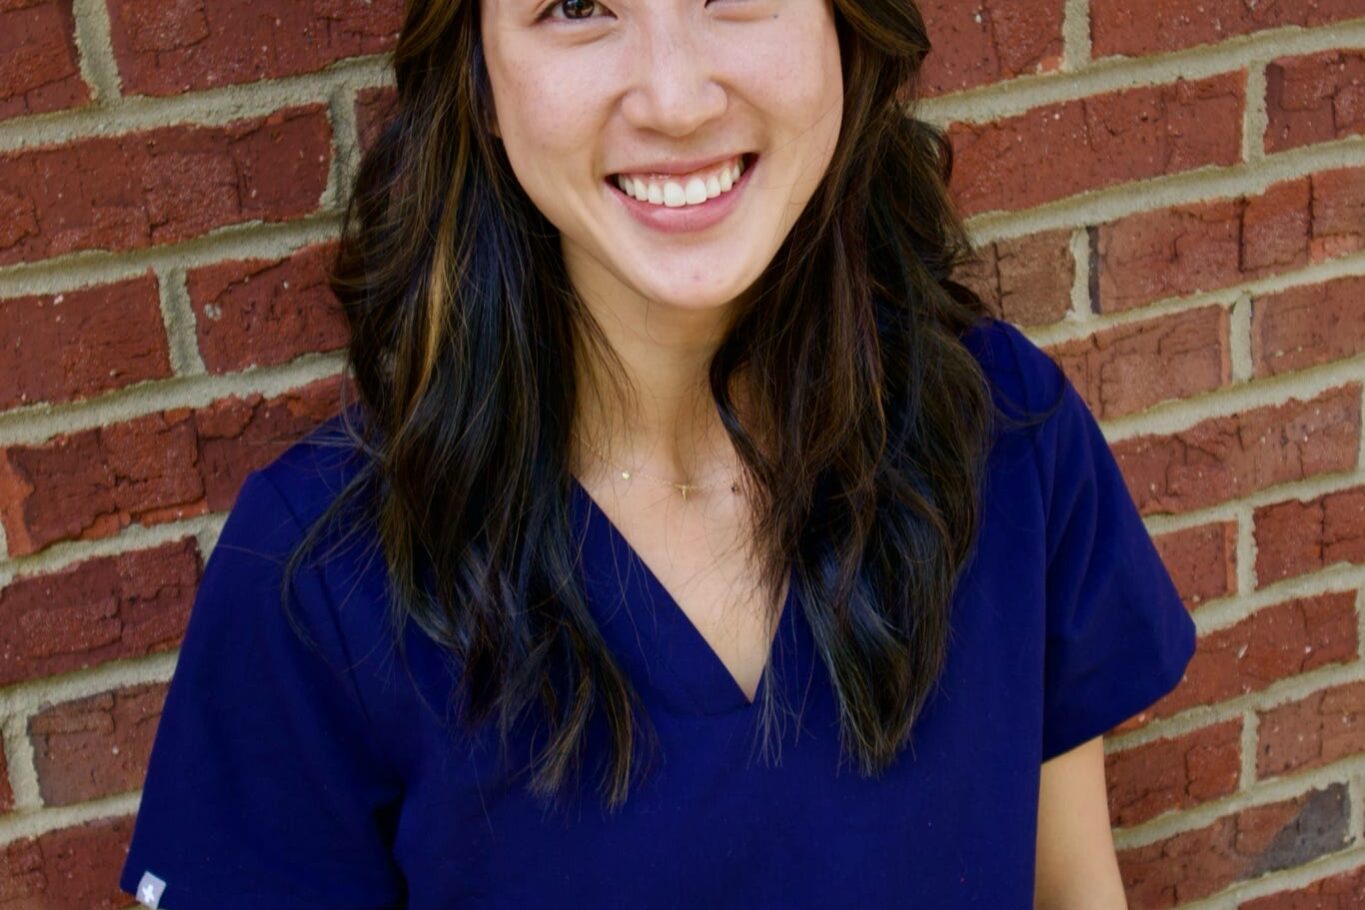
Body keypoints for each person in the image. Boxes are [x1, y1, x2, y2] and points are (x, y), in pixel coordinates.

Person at [119, 0, 1197, 907]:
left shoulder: (1005, 433)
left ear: (845, 29)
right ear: (482, 78)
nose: (675, 98)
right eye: (579, 2)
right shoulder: (321, 578)